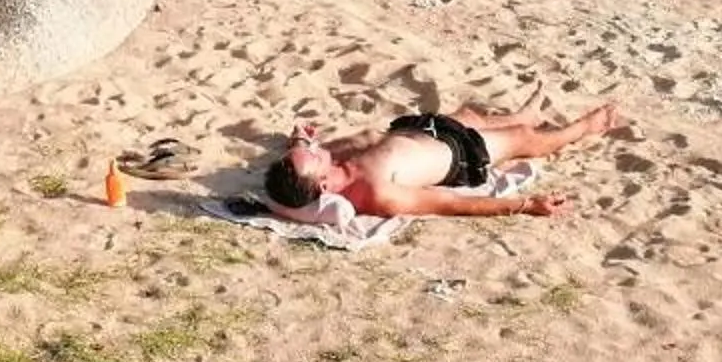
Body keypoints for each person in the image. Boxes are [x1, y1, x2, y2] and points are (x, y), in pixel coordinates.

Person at [263, 101, 619, 219]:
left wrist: (299, 140)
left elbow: (296, 165)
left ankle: (524, 112)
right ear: (322, 185)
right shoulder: (375, 192)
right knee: (527, 142)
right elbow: (447, 203)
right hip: (462, 156)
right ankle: (587, 126)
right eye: (308, 155)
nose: (311, 149)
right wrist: (525, 204)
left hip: (423, 131)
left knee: (469, 114)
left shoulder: (330, 164)